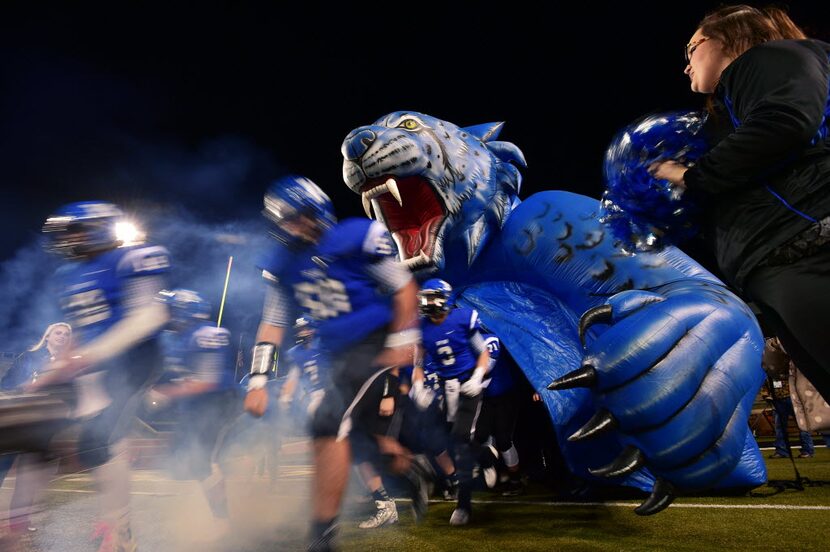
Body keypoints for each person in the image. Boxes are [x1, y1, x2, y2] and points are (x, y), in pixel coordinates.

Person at [649, 5, 830, 400]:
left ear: (730, 38)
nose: (686, 66)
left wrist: (691, 175)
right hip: (784, 257)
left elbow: (784, 122)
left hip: (807, 247)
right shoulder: (744, 91)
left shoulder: (771, 57)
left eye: (691, 49)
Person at [242, 175, 431, 551]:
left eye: (299, 217)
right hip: (334, 353)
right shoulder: (283, 263)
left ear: (318, 211)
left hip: (374, 342)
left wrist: (403, 341)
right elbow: (272, 324)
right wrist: (258, 381)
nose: (294, 227)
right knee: (355, 438)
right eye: (286, 220)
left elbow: (405, 287)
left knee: (327, 423)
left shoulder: (353, 237)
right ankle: (406, 467)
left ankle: (322, 537)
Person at [37, 201, 171, 552]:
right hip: (100, 366)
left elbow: (150, 317)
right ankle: (116, 523)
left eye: (77, 231)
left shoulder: (132, 258)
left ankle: (120, 531)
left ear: (98, 228)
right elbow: (83, 330)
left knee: (98, 440)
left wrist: (87, 356)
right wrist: (60, 366)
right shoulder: (68, 276)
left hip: (138, 358)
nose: (71, 240)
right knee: (98, 443)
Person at [146, 289, 238, 541]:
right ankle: (217, 509)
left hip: (218, 403)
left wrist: (164, 393)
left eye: (170, 310)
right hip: (195, 406)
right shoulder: (172, 337)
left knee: (202, 461)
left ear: (182, 312)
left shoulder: (206, 334)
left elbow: (206, 382)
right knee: (184, 461)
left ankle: (223, 519)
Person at [415, 278, 490, 526]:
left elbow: (484, 352)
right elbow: (418, 363)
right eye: (425, 297)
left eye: (431, 297)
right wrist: (418, 386)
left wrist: (478, 376)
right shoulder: (422, 328)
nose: (427, 302)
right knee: (450, 438)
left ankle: (464, 506)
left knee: (460, 441)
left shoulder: (462, 318)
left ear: (444, 298)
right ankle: (485, 456)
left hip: (468, 384)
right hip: (447, 388)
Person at [0, 322, 72, 543]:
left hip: (43, 427)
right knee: (1, 470)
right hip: (17, 420)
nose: (62, 336)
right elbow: (7, 384)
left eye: (66, 334)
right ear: (47, 336)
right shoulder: (29, 357)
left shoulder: (69, 365)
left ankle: (18, 524)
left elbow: (70, 397)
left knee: (27, 479)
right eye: (57, 332)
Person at [761, 336, 814, 459]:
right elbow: (766, 379)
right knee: (780, 427)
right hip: (777, 398)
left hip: (792, 397)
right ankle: (782, 451)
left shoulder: (787, 358)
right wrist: (766, 394)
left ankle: (807, 450)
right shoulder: (769, 363)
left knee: (802, 425)